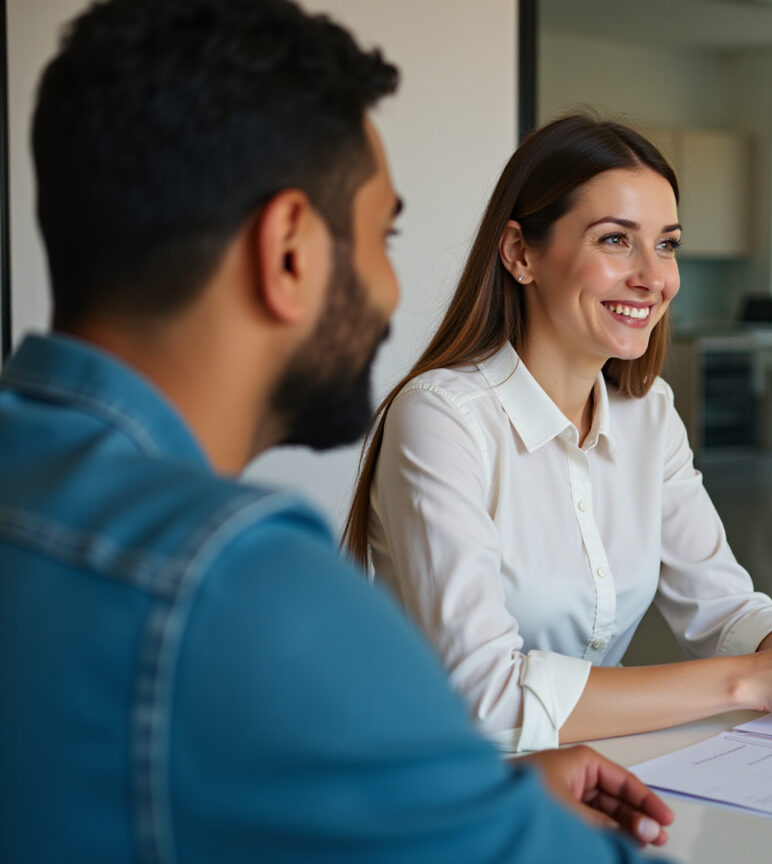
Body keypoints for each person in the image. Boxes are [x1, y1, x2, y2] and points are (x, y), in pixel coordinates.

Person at [0, 1, 672, 859]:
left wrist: (458, 790)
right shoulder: (239, 588)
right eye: (383, 236)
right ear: (288, 251)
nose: (391, 289)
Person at [343, 114, 772, 753]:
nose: (654, 277)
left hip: (587, 770)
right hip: (432, 781)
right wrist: (752, 680)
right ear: (520, 253)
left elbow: (722, 607)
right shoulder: (441, 419)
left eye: (667, 244)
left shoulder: (648, 412)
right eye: (615, 240)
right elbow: (485, 696)